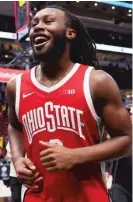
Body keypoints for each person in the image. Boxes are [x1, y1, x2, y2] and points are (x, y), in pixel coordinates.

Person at [6, 5, 132, 202]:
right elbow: (14, 126)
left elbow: (127, 140)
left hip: (88, 197)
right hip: (36, 197)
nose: (37, 27)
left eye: (48, 21)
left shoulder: (96, 81)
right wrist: (17, 158)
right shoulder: (16, 86)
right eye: (34, 24)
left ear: (70, 33)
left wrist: (75, 156)